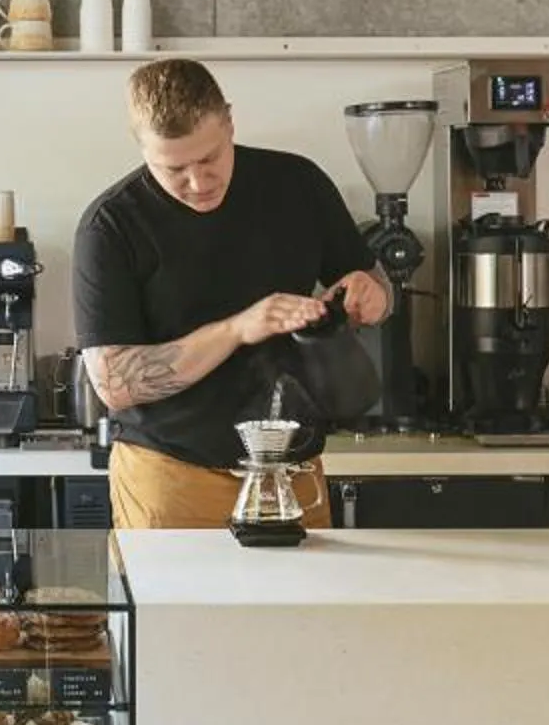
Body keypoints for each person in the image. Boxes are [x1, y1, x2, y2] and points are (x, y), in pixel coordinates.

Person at [74, 59, 392, 532]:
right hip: (172, 477)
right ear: (142, 148)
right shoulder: (112, 227)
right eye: (173, 168)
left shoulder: (298, 186)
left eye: (209, 158)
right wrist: (239, 328)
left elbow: (377, 286)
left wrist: (373, 295)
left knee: (303, 610)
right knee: (177, 610)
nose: (198, 183)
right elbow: (116, 385)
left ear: (230, 122)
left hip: (293, 476)